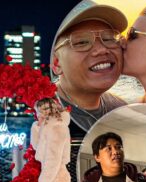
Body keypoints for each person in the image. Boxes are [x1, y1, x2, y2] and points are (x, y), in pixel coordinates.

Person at [50, 0, 128, 131]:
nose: (102, 49)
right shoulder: (42, 112)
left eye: (109, 39)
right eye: (81, 42)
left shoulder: (122, 110)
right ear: (57, 64)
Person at [30, 98, 71, 182]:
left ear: (45, 112)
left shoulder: (56, 128)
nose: (36, 115)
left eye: (38, 112)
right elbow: (39, 148)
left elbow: (54, 157)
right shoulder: (50, 127)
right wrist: (38, 127)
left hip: (55, 176)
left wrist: (45, 180)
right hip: (54, 175)